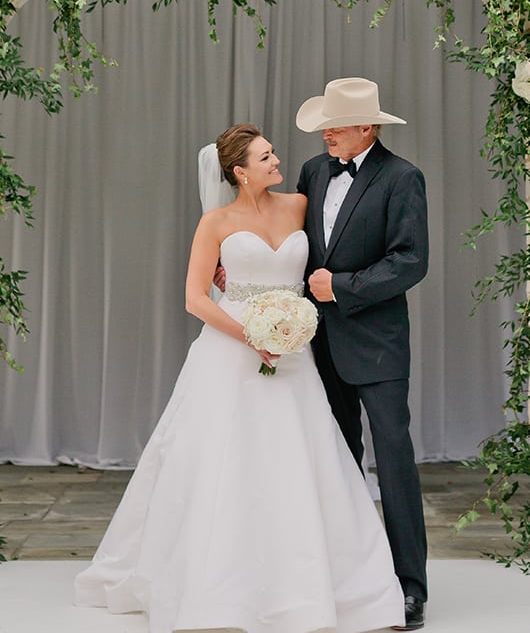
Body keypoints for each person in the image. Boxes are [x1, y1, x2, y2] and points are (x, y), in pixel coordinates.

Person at [74, 123, 405, 633]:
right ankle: (221, 585)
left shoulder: (298, 205)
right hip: (231, 354)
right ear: (239, 172)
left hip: (293, 356)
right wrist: (252, 335)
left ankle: (313, 582)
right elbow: (195, 298)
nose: (277, 161)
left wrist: (291, 324)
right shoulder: (215, 222)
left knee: (298, 461)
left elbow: (334, 251)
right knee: (224, 465)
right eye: (266, 156)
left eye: (274, 153)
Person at [295, 78, 429, 631]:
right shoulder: (311, 171)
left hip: (376, 346)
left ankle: (410, 588)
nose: (327, 134)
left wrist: (342, 286)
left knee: (393, 460)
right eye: (325, 125)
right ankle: (349, 578)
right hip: (317, 344)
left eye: (337, 125)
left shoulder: (402, 178)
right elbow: (294, 239)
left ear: (368, 128)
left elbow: (410, 261)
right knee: (336, 461)